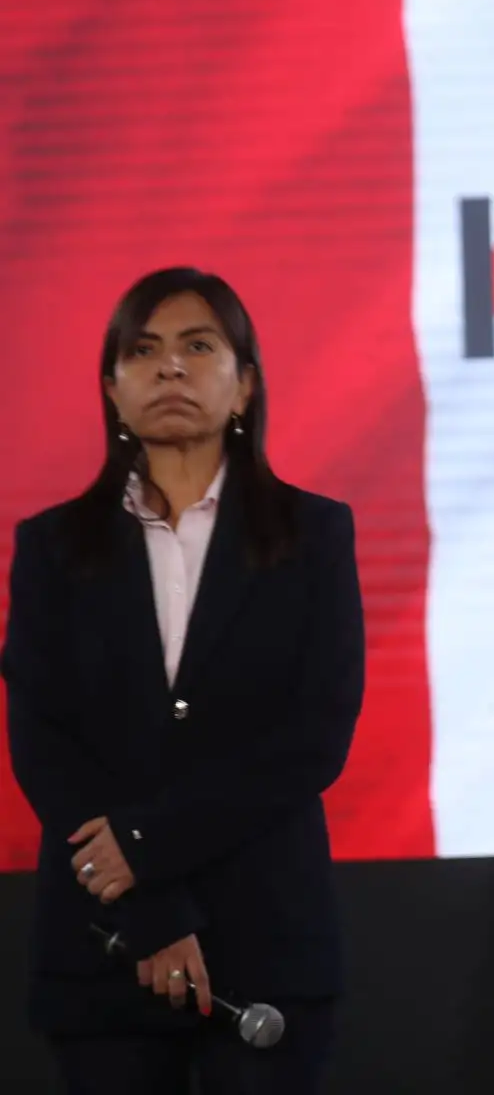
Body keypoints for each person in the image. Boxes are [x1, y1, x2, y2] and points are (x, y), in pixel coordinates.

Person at [3, 268, 366, 1095]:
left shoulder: (313, 534)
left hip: (267, 941)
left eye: (198, 347)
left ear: (244, 385)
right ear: (112, 389)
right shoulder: (53, 546)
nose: (170, 369)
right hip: (103, 947)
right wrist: (150, 912)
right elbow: (43, 746)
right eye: (144, 350)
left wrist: (144, 848)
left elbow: (314, 739)